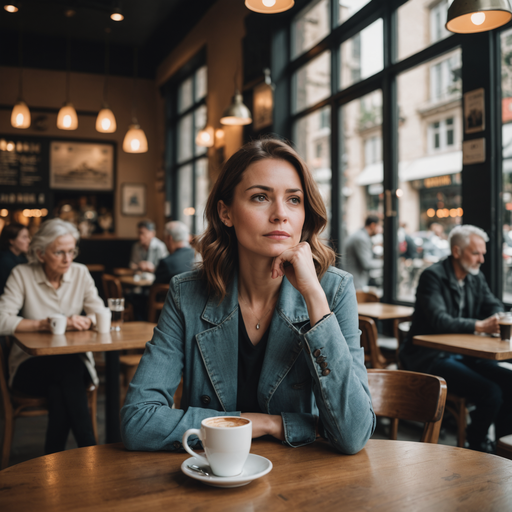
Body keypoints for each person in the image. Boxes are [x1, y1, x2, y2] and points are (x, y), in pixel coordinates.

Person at [121, 138, 375, 455]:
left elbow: (353, 434)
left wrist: (313, 295)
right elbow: (138, 423)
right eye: (260, 197)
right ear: (226, 213)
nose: (281, 214)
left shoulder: (333, 290)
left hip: (304, 485)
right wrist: (266, 424)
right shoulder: (187, 294)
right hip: (211, 480)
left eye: (294, 200)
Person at [399, 225, 512, 452]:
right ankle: (476, 443)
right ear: (457, 251)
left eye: (483, 253)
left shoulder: (475, 277)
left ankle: (503, 448)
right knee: (491, 392)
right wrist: (480, 325)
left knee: (509, 381)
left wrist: (498, 317)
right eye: (475, 253)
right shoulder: (432, 276)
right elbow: (439, 320)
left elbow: (495, 306)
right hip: (429, 356)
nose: (481, 259)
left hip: (462, 353)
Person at [0, 218, 105, 454]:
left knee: (62, 384)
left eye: (71, 251)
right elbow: (1, 319)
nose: (68, 259)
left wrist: (87, 320)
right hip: (29, 369)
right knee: (68, 369)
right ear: (40, 253)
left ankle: (53, 459)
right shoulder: (22, 274)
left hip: (70, 370)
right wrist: (42, 324)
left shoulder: (80, 273)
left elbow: (101, 313)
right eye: (59, 252)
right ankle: (90, 451)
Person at [342, 215, 382, 290]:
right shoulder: (361, 238)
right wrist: (386, 263)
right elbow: (367, 264)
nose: (381, 229)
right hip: (355, 283)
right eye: (379, 226)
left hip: (354, 281)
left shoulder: (360, 235)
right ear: (373, 225)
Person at [0, 223, 30, 295]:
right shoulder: (5, 262)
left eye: (28, 237)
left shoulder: (23, 258)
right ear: (11, 240)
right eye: (24, 237)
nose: (28, 240)